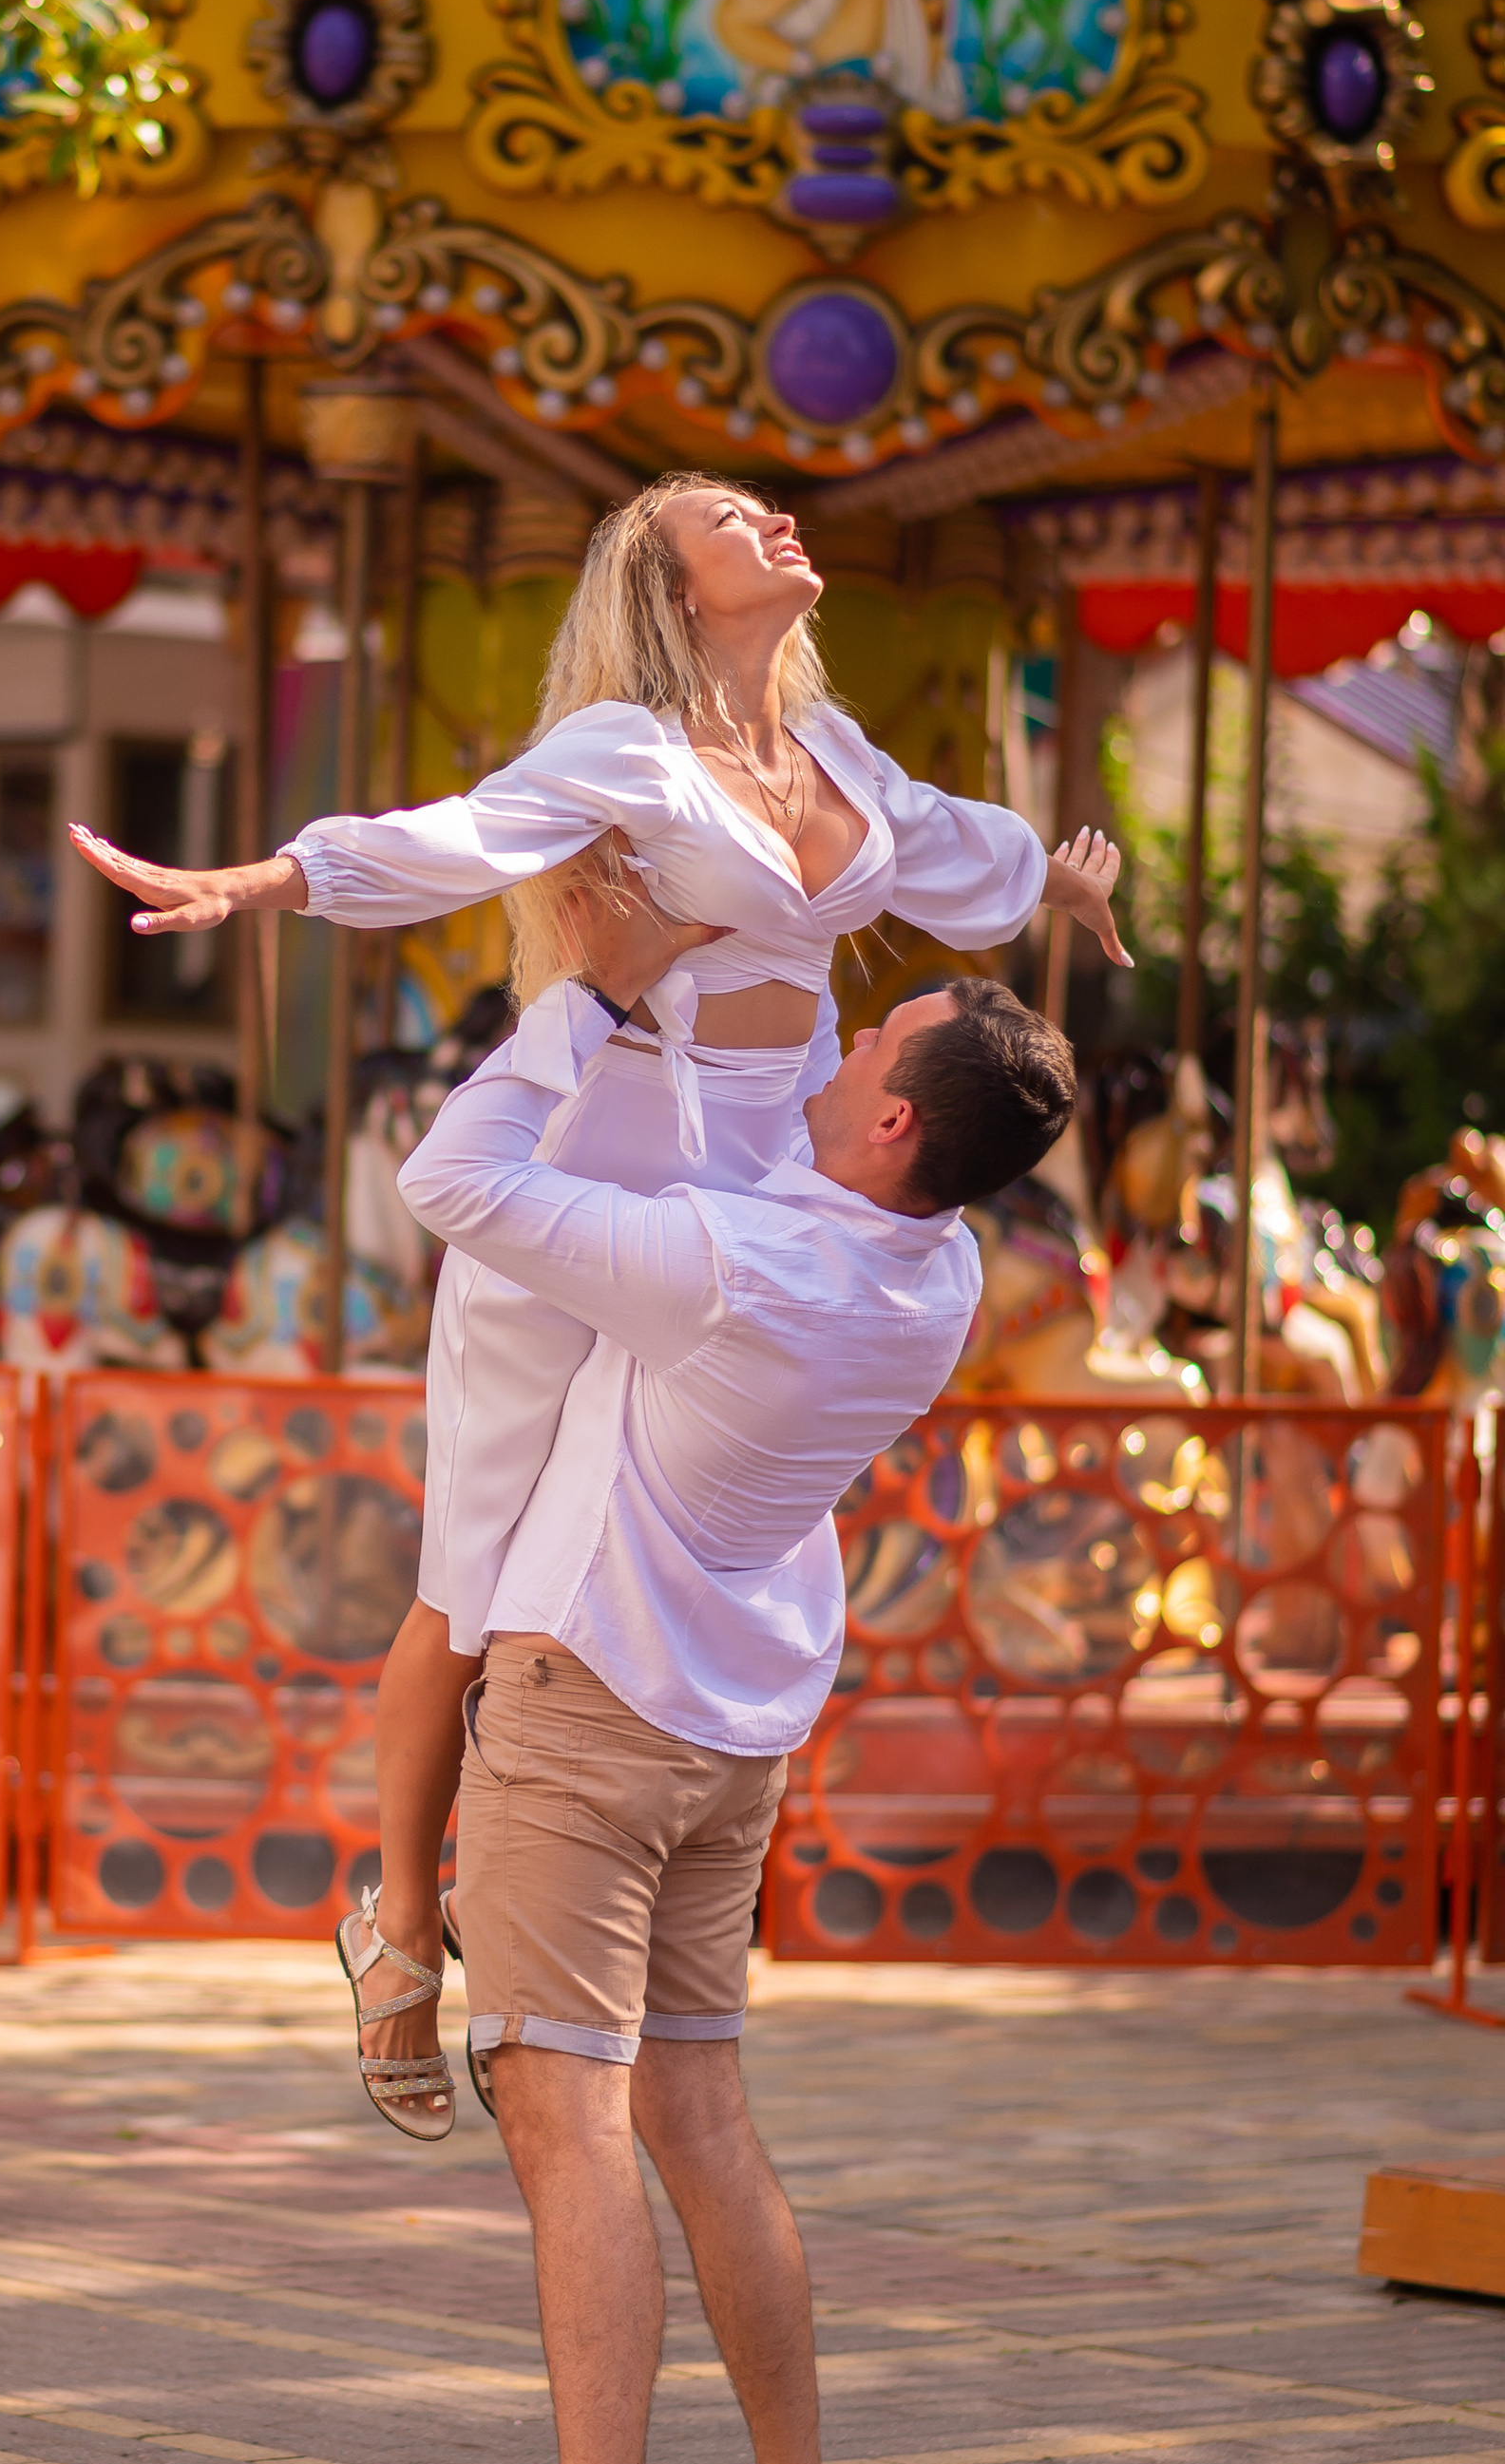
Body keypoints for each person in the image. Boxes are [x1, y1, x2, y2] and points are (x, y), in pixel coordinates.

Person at [71, 471, 1126, 2132]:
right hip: (610, 1148)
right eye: (731, 513)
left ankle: (641, 1887)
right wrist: (261, 887)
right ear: (665, 571)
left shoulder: (836, 754)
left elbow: (954, 849)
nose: (776, 520)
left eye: (777, 506)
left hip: (767, 1173)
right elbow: (455, 840)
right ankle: (402, 1934)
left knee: (698, 1515)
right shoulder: (627, 752)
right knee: (480, 1563)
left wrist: (1062, 886)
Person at [371, 893, 1076, 2464]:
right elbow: (780, 1135)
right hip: (733, 1729)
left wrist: (593, 992)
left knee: (567, 2116)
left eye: (867, 1046)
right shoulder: (936, 1266)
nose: (834, 1055)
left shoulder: (731, 1260)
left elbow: (452, 1183)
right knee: (700, 2112)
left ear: (899, 1121)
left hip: (590, 1698)